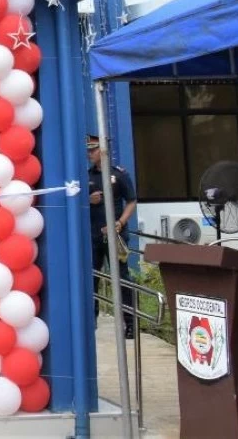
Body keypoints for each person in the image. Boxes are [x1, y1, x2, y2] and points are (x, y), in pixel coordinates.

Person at [87, 134, 138, 339]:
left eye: (93, 150)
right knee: (92, 278)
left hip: (116, 235)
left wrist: (121, 222)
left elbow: (131, 200)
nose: (89, 154)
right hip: (93, 235)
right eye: (88, 150)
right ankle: (91, 321)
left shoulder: (119, 174)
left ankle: (130, 323)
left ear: (103, 151)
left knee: (122, 278)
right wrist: (88, 200)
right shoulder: (87, 175)